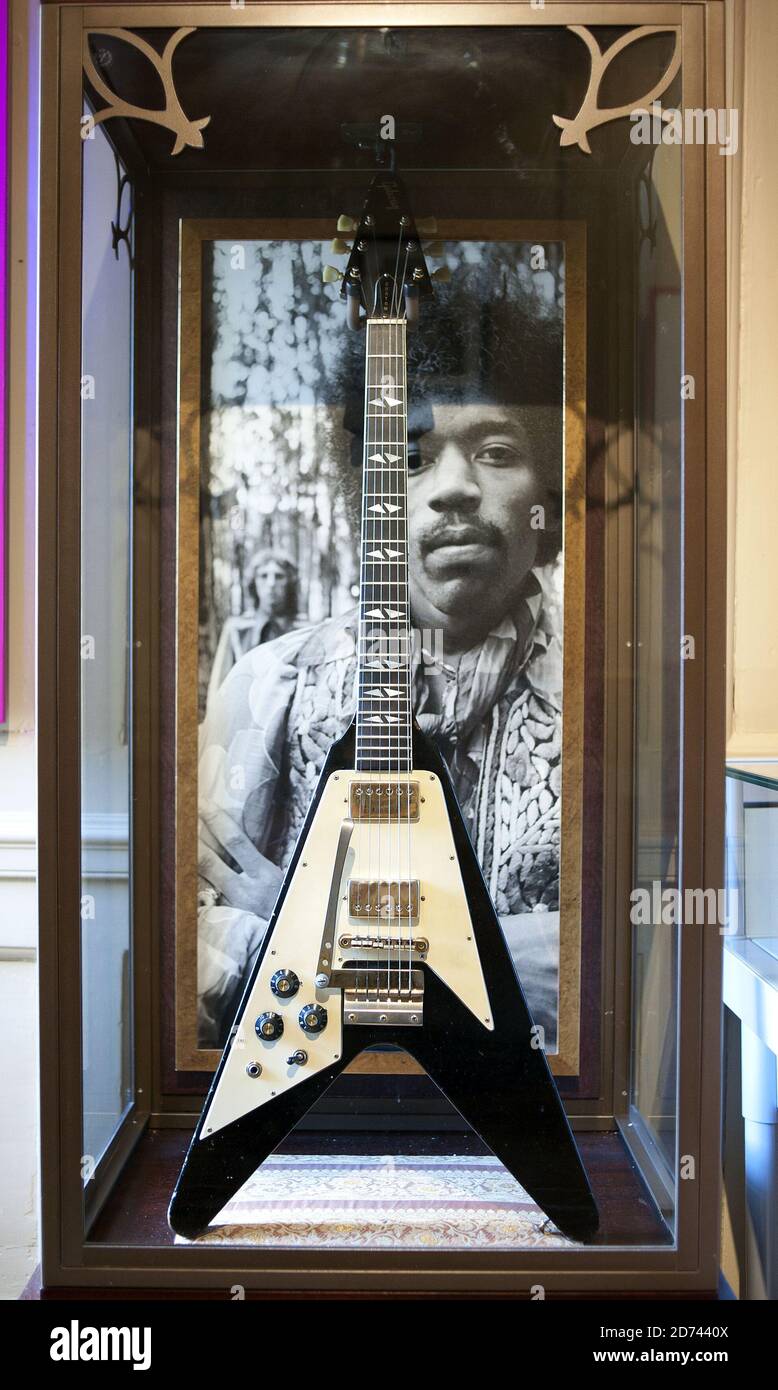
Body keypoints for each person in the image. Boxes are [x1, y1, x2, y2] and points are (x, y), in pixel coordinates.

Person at [197, 278, 565, 1052]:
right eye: (410, 457)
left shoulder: (617, 705)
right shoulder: (270, 691)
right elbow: (204, 950)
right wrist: (494, 957)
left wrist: (305, 927)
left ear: (550, 494)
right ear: (366, 496)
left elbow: (632, 972)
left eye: (497, 452)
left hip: (547, 1129)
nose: (457, 489)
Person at [206, 550, 298, 707]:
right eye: (263, 576)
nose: (271, 584)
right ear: (253, 582)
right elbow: (218, 688)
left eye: (279, 576)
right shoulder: (237, 629)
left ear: (290, 582)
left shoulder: (302, 630)